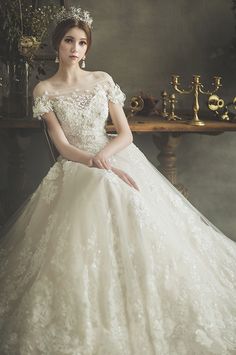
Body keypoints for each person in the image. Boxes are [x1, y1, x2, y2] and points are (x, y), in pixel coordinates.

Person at [0, 6, 236, 355]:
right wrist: (92, 161)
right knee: (104, 184)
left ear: (87, 48)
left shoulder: (102, 80)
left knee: (122, 191)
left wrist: (105, 157)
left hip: (113, 153)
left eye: (82, 43)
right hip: (78, 163)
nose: (75, 49)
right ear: (57, 44)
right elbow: (62, 145)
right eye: (69, 41)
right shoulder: (44, 90)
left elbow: (125, 133)